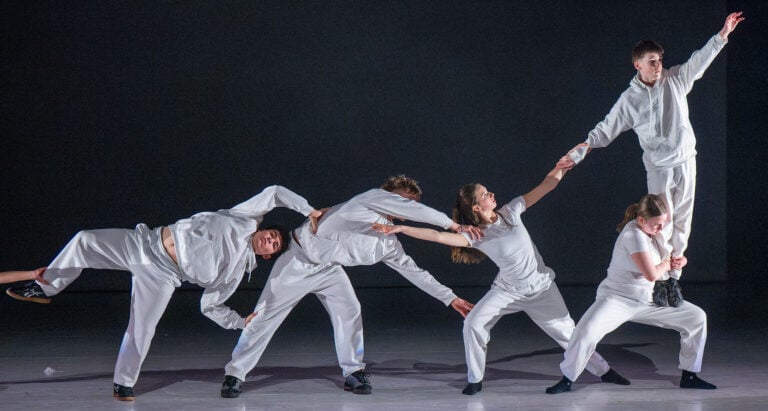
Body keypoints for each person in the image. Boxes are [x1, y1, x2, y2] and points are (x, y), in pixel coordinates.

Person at [3, 185, 322, 401]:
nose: (270, 240)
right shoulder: (244, 218)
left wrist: (239, 322)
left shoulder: (234, 274)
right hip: (145, 243)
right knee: (84, 240)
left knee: (142, 327)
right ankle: (44, 286)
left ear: (267, 255)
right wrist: (307, 210)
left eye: (274, 245)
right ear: (263, 230)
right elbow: (274, 192)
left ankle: (123, 383)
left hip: (163, 276)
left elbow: (210, 305)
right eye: (271, 235)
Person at [372, 166, 630, 395]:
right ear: (476, 207)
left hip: (541, 290)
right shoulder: (476, 234)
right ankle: (475, 380)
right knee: (473, 323)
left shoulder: (511, 211)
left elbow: (546, 186)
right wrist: (401, 228)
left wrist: (563, 166)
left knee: (569, 335)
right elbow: (438, 236)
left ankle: (604, 371)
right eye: (485, 194)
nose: (491, 194)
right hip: (507, 292)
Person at [220, 175, 479, 398]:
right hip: (297, 260)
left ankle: (354, 371)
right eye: (400, 199)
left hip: (328, 269)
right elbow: (416, 212)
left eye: (410, 203)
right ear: (386, 195)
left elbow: (415, 272)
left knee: (349, 309)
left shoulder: (388, 242)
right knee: (264, 315)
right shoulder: (367, 201)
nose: (404, 205)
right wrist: (453, 225)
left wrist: (450, 298)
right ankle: (235, 374)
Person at [557, 12, 744, 293]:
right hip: (659, 167)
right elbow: (604, 130)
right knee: (662, 222)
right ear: (638, 65)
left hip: (686, 160)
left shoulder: (675, 79)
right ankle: (661, 279)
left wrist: (723, 34)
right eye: (652, 61)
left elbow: (699, 61)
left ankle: (674, 279)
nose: (658, 66)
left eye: (660, 60)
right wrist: (577, 153)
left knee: (683, 219)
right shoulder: (630, 100)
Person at [546, 194, 714, 394]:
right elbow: (652, 274)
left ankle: (690, 375)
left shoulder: (654, 234)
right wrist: (668, 264)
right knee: (585, 332)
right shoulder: (632, 234)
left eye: (663, 224)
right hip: (617, 299)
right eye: (656, 225)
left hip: (647, 300)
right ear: (641, 220)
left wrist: (680, 261)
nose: (661, 229)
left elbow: (665, 260)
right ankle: (567, 379)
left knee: (696, 317)